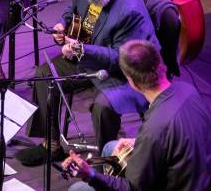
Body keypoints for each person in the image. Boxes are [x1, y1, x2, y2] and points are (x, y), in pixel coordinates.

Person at [14, 0, 159, 166]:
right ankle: (50, 144)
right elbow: (73, 9)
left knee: (102, 106)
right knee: (44, 74)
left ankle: (107, 162)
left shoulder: (128, 9)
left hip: (126, 72)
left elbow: (121, 57)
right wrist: (63, 25)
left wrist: (82, 50)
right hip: (90, 56)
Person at [62, 40, 211, 191]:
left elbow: (132, 188)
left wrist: (90, 174)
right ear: (161, 63)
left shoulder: (154, 129)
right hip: (200, 177)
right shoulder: (188, 89)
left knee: (78, 188)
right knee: (110, 148)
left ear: (131, 82)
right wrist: (138, 142)